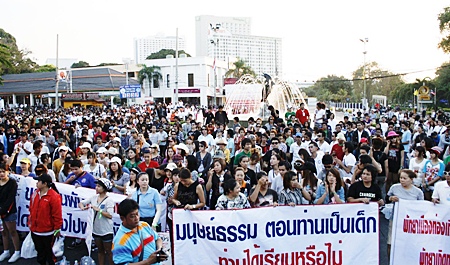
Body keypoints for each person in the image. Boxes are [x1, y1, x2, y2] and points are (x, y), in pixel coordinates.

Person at [112, 199, 167, 265]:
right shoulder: (120, 241)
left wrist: (159, 250)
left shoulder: (144, 225)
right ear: (122, 218)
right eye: (132, 216)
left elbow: (157, 239)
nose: (137, 218)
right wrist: (149, 261)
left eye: (137, 214)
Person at [386, 169, 424, 259]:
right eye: (401, 178)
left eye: (404, 178)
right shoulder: (394, 188)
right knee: (391, 243)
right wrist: (391, 198)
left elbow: (421, 207)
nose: (402, 180)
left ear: (411, 179)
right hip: (395, 219)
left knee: (409, 244)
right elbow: (386, 198)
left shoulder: (418, 192)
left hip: (410, 222)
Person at [28, 173, 63, 265]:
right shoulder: (35, 193)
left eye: (39, 181)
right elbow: (31, 208)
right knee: (40, 253)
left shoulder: (54, 197)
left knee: (49, 254)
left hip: (47, 232)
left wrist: (57, 229)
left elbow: (57, 215)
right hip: (35, 231)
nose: (36, 183)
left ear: (45, 184)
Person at [79, 178, 114, 265]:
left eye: (99, 186)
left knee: (109, 252)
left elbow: (110, 215)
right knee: (100, 251)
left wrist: (99, 210)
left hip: (106, 230)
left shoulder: (109, 200)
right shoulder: (94, 197)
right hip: (96, 230)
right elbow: (81, 203)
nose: (96, 188)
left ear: (104, 188)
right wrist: (83, 207)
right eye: (96, 186)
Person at [0, 163, 21, 263]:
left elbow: (10, 198)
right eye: (0, 172)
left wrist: (3, 210)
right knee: (3, 231)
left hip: (9, 210)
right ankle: (6, 251)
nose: (1, 174)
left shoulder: (12, 183)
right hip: (0, 212)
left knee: (12, 231)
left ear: (8, 172)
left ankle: (17, 251)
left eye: (3, 171)